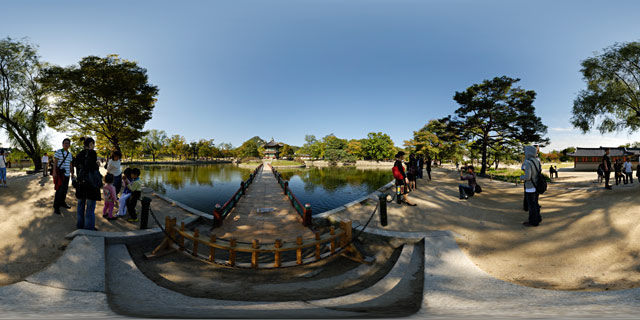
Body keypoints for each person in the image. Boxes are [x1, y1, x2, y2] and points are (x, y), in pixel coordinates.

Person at [74, 137, 102, 230]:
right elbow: (91, 167)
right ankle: (89, 228)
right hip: (90, 185)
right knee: (90, 208)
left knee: (80, 205)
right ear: (90, 144)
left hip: (81, 183)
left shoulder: (79, 154)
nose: (94, 146)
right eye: (93, 144)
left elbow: (78, 168)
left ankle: (80, 225)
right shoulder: (92, 153)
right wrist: (97, 165)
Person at [520, 145, 542, 227]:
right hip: (536, 185)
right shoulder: (537, 161)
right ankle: (538, 218)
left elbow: (527, 177)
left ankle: (533, 221)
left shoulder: (528, 162)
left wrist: (521, 177)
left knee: (531, 205)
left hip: (530, 187)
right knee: (535, 204)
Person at [53, 139, 74, 214]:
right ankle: (56, 206)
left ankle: (62, 203)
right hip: (60, 175)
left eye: (68, 143)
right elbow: (55, 163)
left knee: (65, 190)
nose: (66, 144)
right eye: (65, 143)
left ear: (69, 145)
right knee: (59, 191)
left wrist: (72, 173)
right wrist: (54, 172)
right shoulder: (58, 152)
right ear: (62, 144)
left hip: (67, 175)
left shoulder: (70, 154)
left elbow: (71, 165)